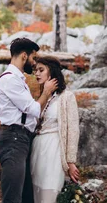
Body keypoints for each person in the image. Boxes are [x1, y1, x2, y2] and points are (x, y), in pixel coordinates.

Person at [0, 38, 58, 203]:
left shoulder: (18, 80)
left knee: (26, 196)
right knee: (13, 197)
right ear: (24, 56)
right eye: (33, 58)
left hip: (20, 139)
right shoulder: (10, 79)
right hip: (14, 140)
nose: (34, 62)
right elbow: (33, 109)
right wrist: (46, 92)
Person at [30, 56, 80, 203]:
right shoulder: (43, 98)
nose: (37, 74)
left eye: (41, 70)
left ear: (52, 72)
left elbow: (73, 130)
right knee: (36, 195)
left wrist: (70, 161)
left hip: (54, 150)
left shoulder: (66, 97)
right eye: (35, 70)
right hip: (37, 150)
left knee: (50, 194)